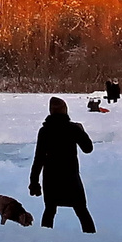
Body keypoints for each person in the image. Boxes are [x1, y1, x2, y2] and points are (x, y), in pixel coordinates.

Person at [30, 97, 95, 232]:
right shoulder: (73, 129)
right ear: (65, 111)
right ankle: (91, 239)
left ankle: (45, 240)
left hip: (51, 178)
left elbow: (39, 158)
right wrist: (82, 131)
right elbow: (88, 148)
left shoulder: (45, 131)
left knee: (49, 211)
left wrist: (34, 182)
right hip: (70, 176)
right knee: (81, 210)